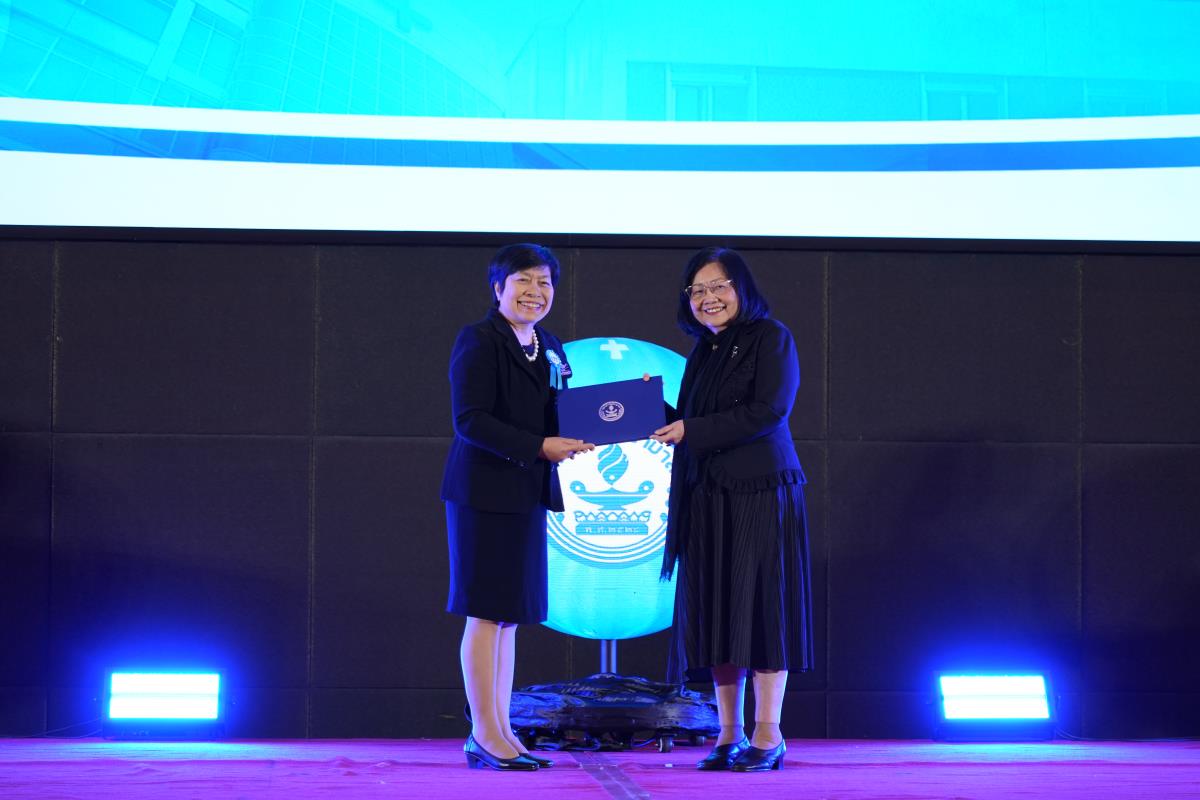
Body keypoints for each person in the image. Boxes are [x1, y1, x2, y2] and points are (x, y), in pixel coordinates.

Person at [650, 246, 813, 773]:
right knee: (719, 615)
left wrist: (690, 428)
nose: (708, 298)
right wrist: (645, 410)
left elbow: (769, 411)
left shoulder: (771, 337)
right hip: (708, 494)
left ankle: (768, 734)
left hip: (760, 491)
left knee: (762, 612)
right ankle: (729, 734)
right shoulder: (705, 349)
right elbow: (694, 421)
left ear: (741, 288)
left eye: (718, 286)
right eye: (697, 290)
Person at [441, 243, 594, 771]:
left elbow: (562, 410)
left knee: (509, 618)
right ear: (498, 288)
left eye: (545, 282)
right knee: (486, 612)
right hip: (482, 492)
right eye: (523, 280)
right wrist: (538, 446)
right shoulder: (479, 339)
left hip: (527, 491)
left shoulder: (548, 345)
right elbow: (470, 420)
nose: (535, 291)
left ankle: (502, 728)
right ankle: (484, 734)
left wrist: (624, 411)